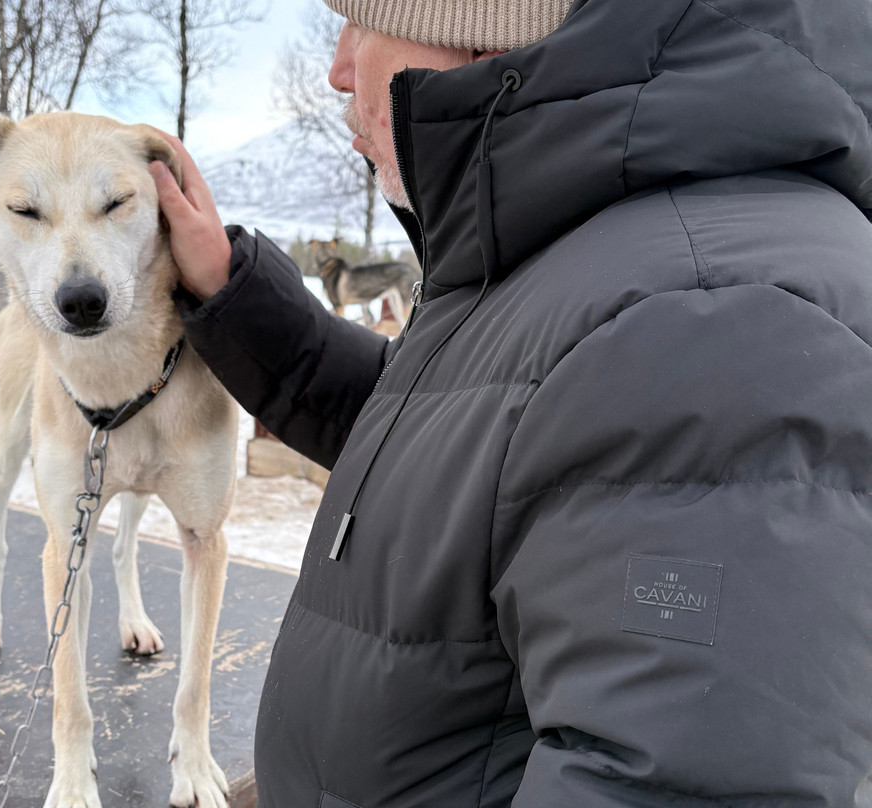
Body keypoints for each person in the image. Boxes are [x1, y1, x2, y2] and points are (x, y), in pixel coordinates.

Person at [150, 0, 872, 804]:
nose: (338, 70)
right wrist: (233, 290)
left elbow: (671, 783)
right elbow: (457, 454)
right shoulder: (592, 256)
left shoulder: (709, 317)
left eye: (363, 22)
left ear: (484, 27)